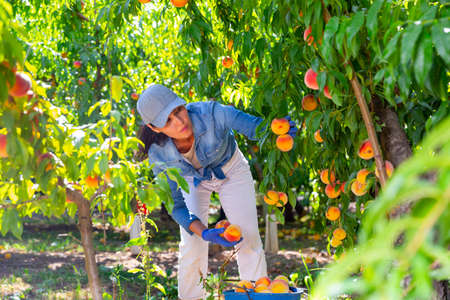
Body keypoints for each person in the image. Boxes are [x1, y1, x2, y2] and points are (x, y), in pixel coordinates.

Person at [136, 84, 295, 299]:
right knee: (192, 243)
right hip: (191, 180)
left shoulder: (212, 113)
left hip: (231, 170)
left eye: (178, 111)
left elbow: (255, 128)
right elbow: (176, 205)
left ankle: (256, 295)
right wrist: (204, 232)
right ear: (154, 128)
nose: (180, 122)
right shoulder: (159, 155)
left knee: (247, 238)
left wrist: (279, 130)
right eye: (168, 121)